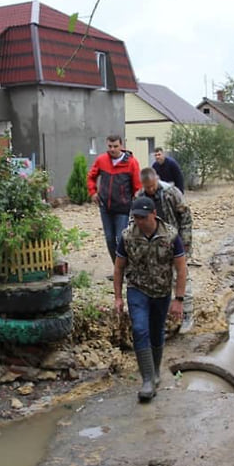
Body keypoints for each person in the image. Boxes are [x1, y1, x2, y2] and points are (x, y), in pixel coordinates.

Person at [114, 196, 187, 402]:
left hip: (162, 292)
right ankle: (146, 380)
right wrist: (118, 297)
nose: (139, 221)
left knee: (156, 332)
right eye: (135, 217)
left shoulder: (171, 236)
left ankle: (155, 373)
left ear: (154, 214)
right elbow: (119, 267)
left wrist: (178, 299)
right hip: (137, 289)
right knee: (139, 329)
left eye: (143, 217)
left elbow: (181, 269)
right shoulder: (127, 236)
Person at [132, 167, 195, 332]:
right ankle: (165, 316)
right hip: (153, 244)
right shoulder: (140, 197)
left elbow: (186, 218)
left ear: (157, 179)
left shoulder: (171, 193)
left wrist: (185, 242)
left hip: (175, 240)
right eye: (148, 188)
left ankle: (187, 313)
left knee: (181, 276)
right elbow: (134, 223)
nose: (151, 190)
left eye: (153, 186)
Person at [87, 135, 142, 265]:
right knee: (110, 239)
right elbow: (91, 176)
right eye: (110, 146)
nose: (112, 149)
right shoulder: (102, 160)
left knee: (121, 238)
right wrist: (93, 192)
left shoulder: (131, 163)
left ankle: (127, 267)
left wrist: (137, 204)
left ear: (121, 146)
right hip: (105, 206)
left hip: (122, 207)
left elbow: (137, 187)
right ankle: (118, 268)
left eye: (115, 146)